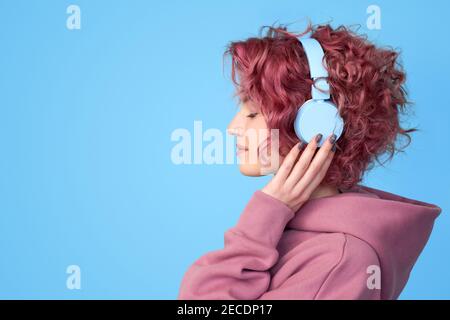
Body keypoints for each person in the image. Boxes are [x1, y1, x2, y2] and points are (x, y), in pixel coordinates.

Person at [177, 22, 442, 300]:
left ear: (319, 126)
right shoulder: (289, 229)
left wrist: (258, 223)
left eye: (253, 114)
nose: (232, 127)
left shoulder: (340, 261)